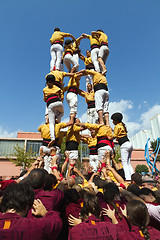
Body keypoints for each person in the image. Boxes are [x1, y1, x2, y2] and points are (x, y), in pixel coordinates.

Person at [110, 112, 134, 180]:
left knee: (124, 163)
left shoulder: (117, 126)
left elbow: (114, 136)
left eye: (113, 120)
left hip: (124, 145)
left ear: (116, 120)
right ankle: (133, 176)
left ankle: (128, 178)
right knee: (128, 162)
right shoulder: (122, 125)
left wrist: (109, 137)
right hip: (129, 144)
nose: (112, 122)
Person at [43, 74, 64, 147]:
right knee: (62, 113)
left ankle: (52, 138)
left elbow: (45, 99)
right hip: (58, 102)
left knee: (51, 123)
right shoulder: (58, 88)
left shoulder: (45, 89)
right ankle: (57, 119)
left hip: (50, 104)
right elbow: (62, 97)